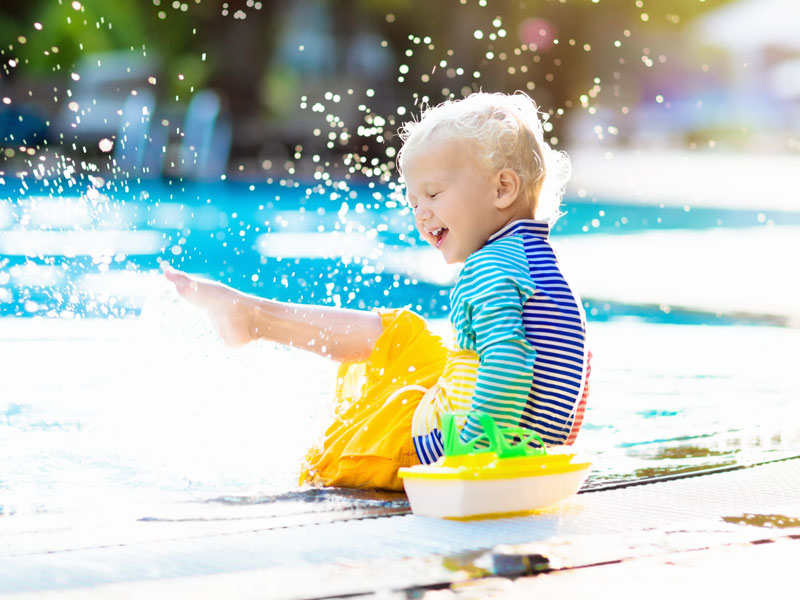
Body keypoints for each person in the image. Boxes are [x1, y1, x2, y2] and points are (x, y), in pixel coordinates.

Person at [164, 91, 590, 491]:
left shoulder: (488, 270)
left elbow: (509, 362)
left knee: (361, 428)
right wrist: (554, 447)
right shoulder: (542, 267)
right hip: (504, 434)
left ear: (502, 189)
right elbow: (576, 366)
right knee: (401, 333)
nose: (421, 214)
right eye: (413, 202)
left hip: (445, 448)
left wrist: (469, 458)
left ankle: (255, 325)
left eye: (433, 194)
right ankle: (252, 317)